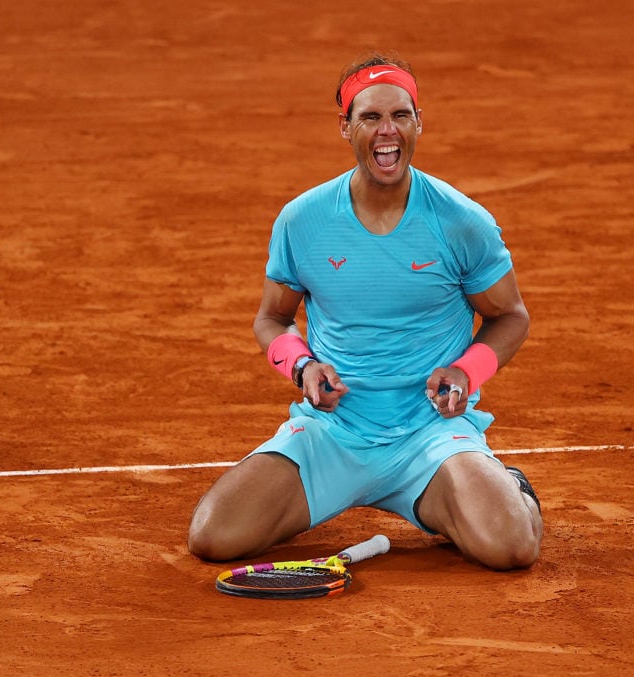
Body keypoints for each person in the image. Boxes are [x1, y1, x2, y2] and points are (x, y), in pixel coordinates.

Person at [187, 53, 542, 570]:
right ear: (345, 126)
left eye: (400, 115)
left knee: (511, 547)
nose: (387, 131)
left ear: (419, 122)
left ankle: (510, 488)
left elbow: (510, 316)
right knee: (213, 536)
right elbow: (273, 319)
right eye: (370, 117)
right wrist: (303, 368)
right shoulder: (302, 221)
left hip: (431, 436)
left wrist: (466, 371)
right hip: (333, 433)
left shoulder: (463, 222)